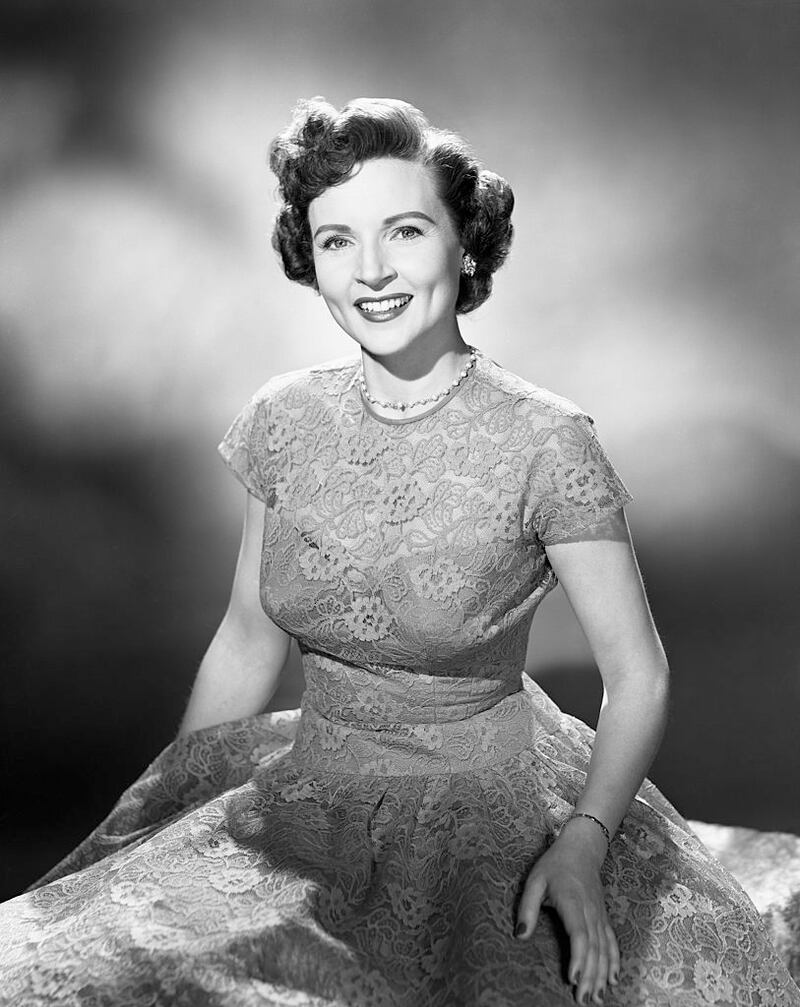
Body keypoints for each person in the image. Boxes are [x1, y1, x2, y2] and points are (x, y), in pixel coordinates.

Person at [0, 97, 797, 1007]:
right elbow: (249, 637)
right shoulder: (281, 419)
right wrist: (170, 806)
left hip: (490, 819)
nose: (370, 271)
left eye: (404, 231)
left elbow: (638, 673)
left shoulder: (547, 442)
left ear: (466, 245)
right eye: (337, 241)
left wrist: (583, 840)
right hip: (300, 800)